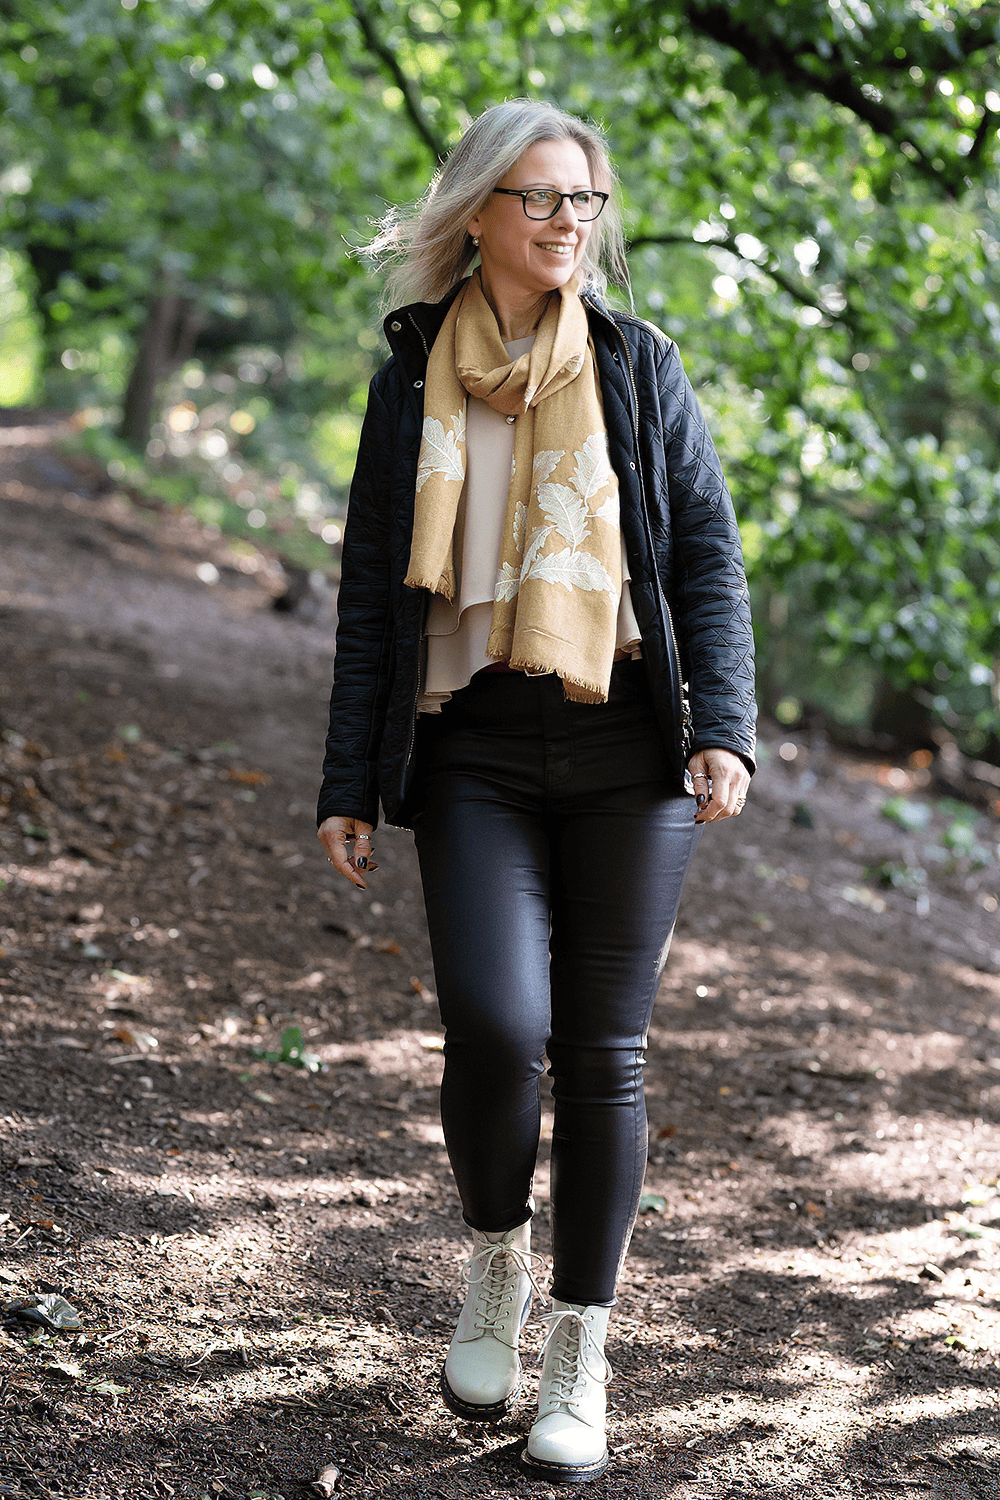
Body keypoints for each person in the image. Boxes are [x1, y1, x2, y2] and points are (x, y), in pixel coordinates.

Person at [317, 99, 755, 1485]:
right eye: (543, 199)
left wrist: (726, 731)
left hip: (630, 745)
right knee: (499, 1029)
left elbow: (706, 563)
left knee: (604, 1054)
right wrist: (346, 777)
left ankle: (582, 1345)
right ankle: (497, 1257)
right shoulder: (412, 380)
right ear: (479, 215)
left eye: (586, 202)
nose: (572, 224)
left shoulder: (638, 368)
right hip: (475, 750)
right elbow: (372, 600)